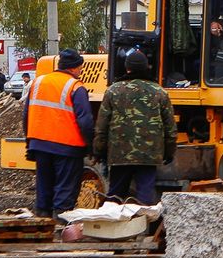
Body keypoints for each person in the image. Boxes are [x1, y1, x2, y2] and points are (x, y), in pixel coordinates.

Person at [93, 50, 176, 205]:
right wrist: (169, 152)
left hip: (119, 154)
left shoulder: (113, 91)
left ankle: (112, 218)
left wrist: (99, 152)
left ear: (127, 68)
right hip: (149, 155)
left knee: (115, 196)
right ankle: (143, 219)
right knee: (145, 197)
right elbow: (170, 128)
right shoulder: (160, 92)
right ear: (146, 67)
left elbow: (101, 126)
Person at [24, 49, 94, 220]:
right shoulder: (75, 87)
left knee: (44, 186)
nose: (80, 72)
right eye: (80, 68)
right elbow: (85, 121)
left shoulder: (38, 82)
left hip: (40, 144)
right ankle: (61, 222)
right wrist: (91, 145)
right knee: (65, 188)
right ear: (73, 68)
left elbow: (26, 114)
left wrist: (29, 140)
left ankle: (43, 220)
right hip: (67, 146)